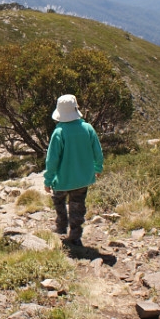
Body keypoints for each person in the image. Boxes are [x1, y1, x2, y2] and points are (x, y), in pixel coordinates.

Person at [43, 94, 104, 246]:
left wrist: (48, 180)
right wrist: (98, 167)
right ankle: (75, 235)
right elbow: (98, 151)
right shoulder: (88, 128)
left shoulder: (59, 132)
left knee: (59, 201)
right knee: (78, 206)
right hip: (82, 179)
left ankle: (61, 226)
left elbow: (52, 160)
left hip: (62, 180)